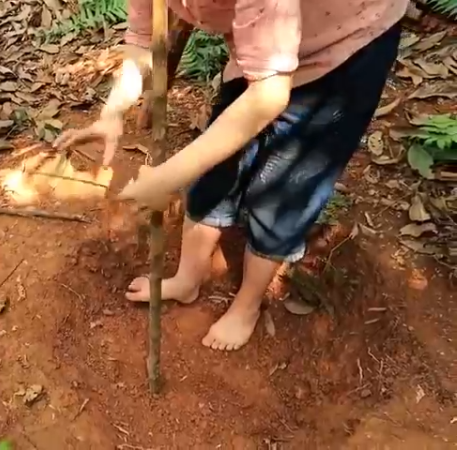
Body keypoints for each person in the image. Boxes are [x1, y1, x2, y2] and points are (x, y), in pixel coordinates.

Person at [53, 0, 408, 351]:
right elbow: (143, 37)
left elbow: (268, 97)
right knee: (213, 176)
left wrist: (167, 178)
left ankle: (247, 305)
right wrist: (113, 110)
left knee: (283, 198)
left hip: (342, 50)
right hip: (262, 51)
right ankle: (187, 278)